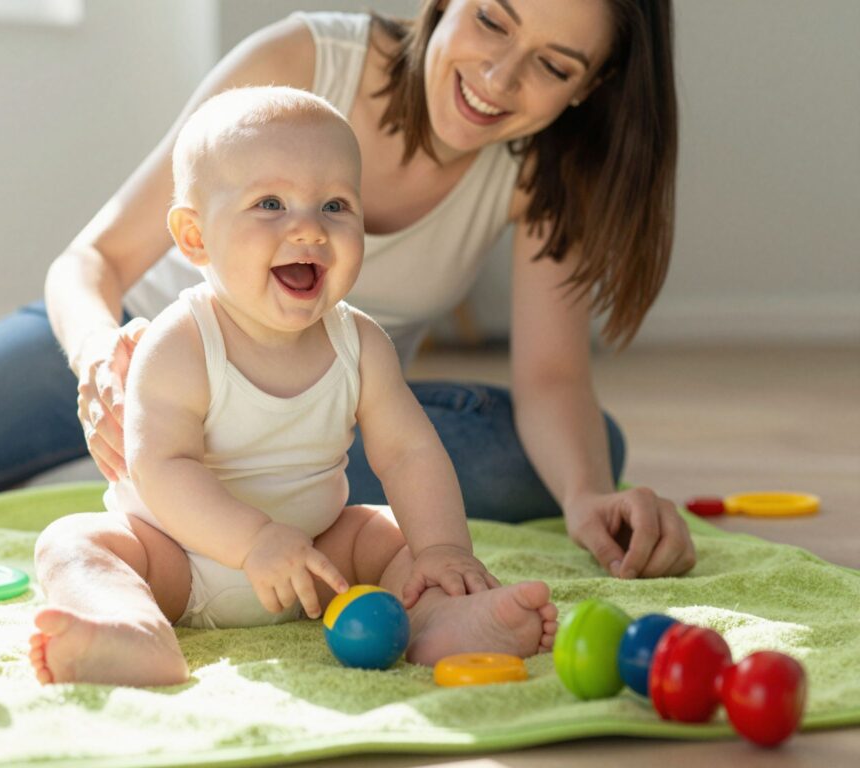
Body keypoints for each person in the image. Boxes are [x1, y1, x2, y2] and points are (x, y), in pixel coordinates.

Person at [0, 1, 695, 581]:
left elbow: (552, 378)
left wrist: (586, 498)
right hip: (135, 347)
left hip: (311, 419)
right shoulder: (305, 60)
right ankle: (149, 470)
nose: (498, 79)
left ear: (592, 86)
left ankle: (192, 492)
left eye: (551, 65)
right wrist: (101, 364)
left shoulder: (542, 170)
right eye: (491, 21)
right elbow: (89, 261)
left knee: (576, 455)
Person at [28, 87, 557, 686]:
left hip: (315, 560)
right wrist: (253, 542)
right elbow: (162, 467)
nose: (308, 228)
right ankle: (130, 629)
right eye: (271, 203)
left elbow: (410, 453)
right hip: (176, 559)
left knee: (386, 534)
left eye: (335, 206)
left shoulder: (361, 344)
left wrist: (442, 551)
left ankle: (442, 619)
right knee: (75, 543)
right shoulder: (179, 343)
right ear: (196, 237)